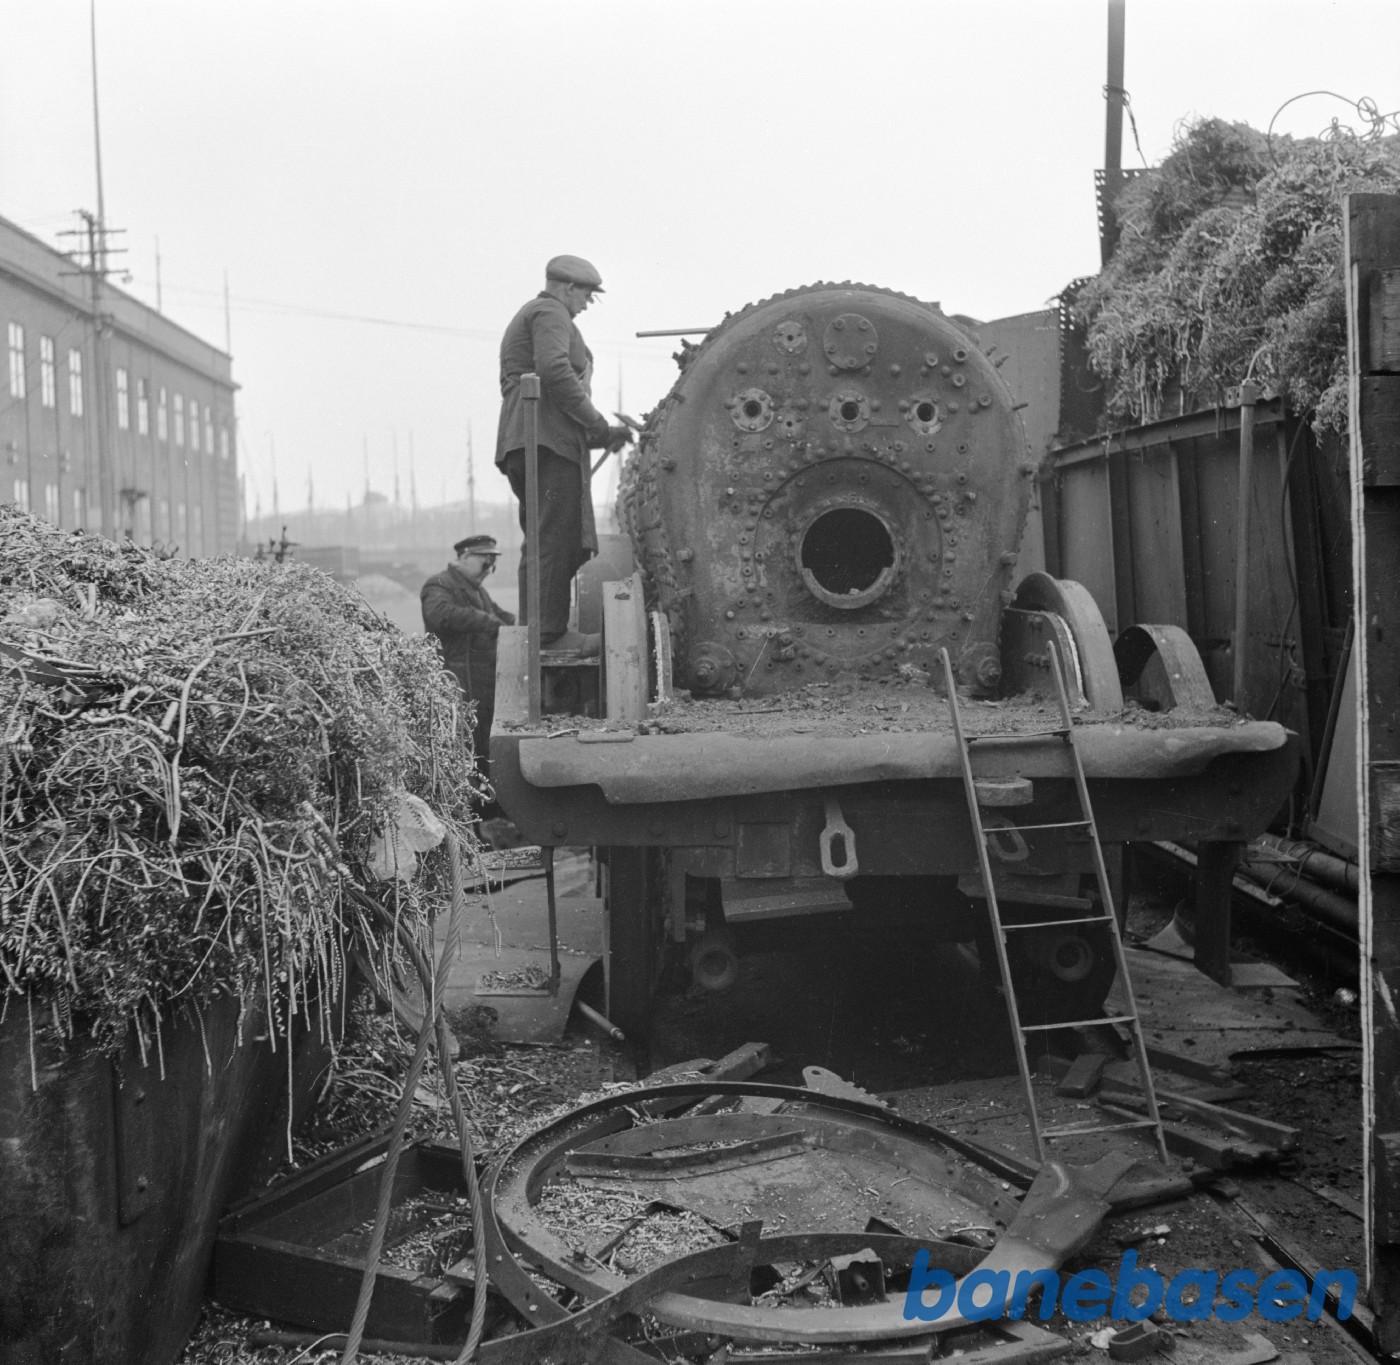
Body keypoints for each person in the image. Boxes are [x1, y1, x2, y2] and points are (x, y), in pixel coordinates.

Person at [495, 254, 630, 657]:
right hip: (543, 440)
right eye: (587, 294)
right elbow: (553, 371)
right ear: (568, 288)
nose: (588, 303)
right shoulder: (551, 312)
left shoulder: (539, 313)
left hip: (536, 437)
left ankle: (538, 631)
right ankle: (548, 636)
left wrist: (601, 434)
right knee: (553, 536)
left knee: (544, 535)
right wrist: (598, 425)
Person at [420, 534, 514, 790]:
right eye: (485, 563)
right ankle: (468, 814)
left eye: (492, 565)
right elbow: (441, 615)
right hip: (454, 682)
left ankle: (488, 808)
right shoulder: (439, 584)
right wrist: (487, 621)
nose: (489, 571)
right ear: (464, 557)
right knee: (460, 750)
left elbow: (500, 615)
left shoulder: (477, 590)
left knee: (482, 746)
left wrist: (521, 625)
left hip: (480, 686)